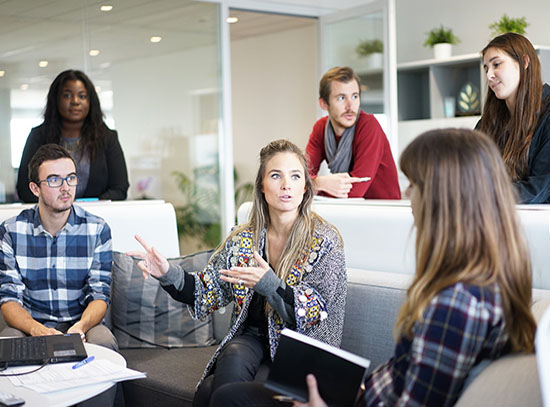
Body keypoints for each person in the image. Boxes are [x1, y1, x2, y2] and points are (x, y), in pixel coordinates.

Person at [216, 129, 537, 407]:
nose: (408, 195)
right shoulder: (484, 282)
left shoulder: (456, 305)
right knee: (224, 392)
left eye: (414, 184)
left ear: (446, 199)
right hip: (362, 393)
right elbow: (407, 378)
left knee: (227, 399)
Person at [129, 139, 347, 407]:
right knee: (232, 353)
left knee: (211, 391)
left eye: (295, 176)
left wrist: (269, 284)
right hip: (253, 339)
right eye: (276, 175)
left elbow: (315, 312)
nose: (286, 185)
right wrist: (166, 272)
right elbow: (205, 290)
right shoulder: (243, 239)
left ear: (305, 187)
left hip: (302, 350)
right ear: (262, 187)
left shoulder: (325, 241)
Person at [0, 144, 117, 351]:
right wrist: (37, 330)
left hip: (82, 324)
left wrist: (80, 327)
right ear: (35, 188)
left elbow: (99, 295)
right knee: (8, 344)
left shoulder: (97, 229)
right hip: (31, 324)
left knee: (104, 342)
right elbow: (9, 300)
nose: (66, 187)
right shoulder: (11, 231)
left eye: (71, 178)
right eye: (54, 180)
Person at [16, 69, 129, 203]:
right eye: (67, 95)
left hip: (96, 217)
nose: (75, 101)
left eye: (82, 96)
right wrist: (57, 206)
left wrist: (87, 207)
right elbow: (25, 188)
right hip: (49, 219)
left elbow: (119, 188)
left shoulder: (107, 138)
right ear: (56, 99)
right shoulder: (39, 136)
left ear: (90, 102)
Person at [305, 66, 401, 199]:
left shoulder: (369, 126)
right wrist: (320, 182)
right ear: (324, 104)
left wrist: (314, 185)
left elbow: (355, 191)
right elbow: (301, 177)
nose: (350, 106)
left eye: (355, 96)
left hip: (382, 211)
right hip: (348, 210)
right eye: (341, 98)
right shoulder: (320, 128)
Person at [478, 32, 550, 203]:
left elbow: (540, 188)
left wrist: (482, 195)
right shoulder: (489, 121)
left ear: (524, 62)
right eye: (486, 69)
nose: (489, 75)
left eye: (496, 64)